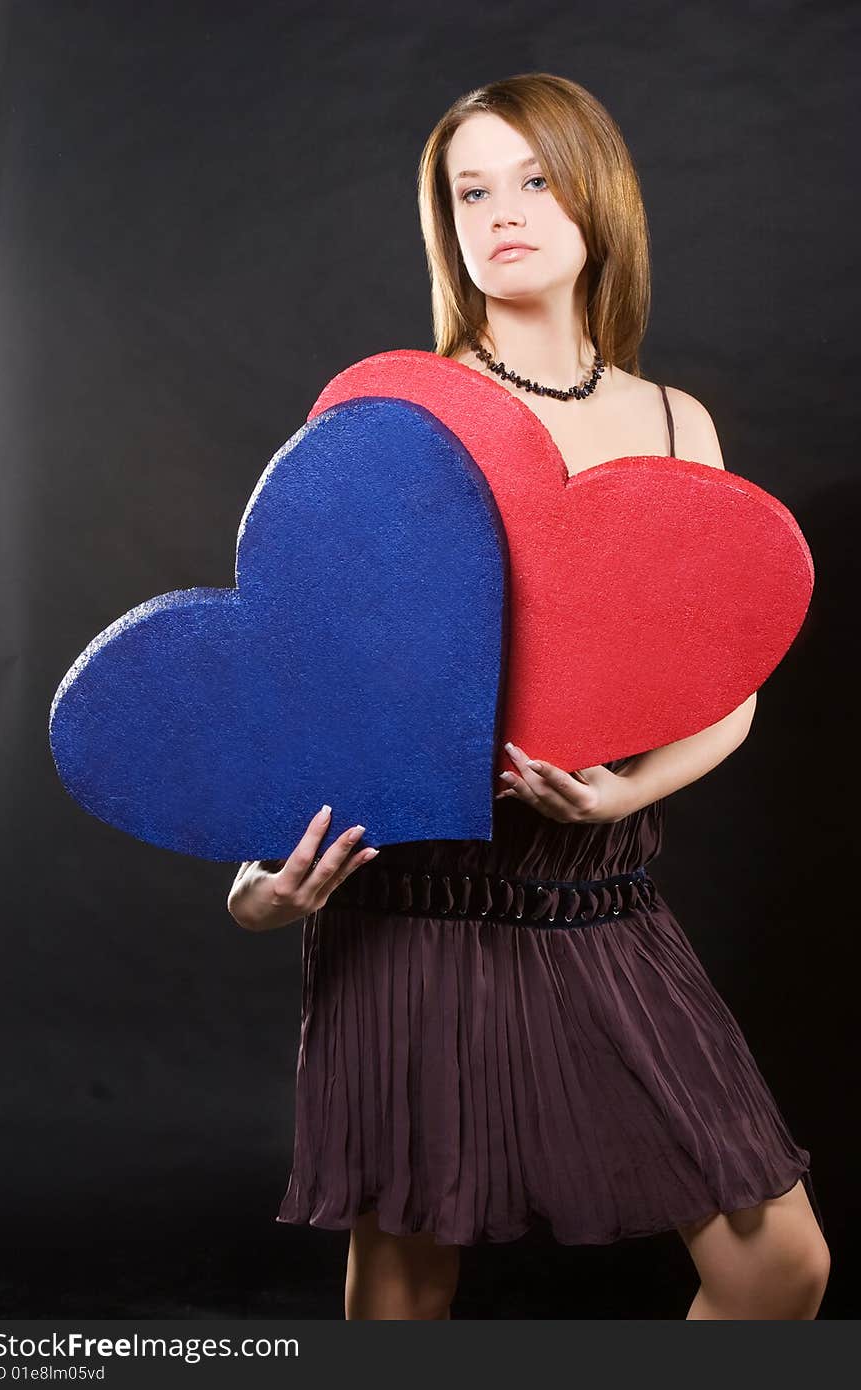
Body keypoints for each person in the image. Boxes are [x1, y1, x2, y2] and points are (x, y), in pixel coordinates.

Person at [227, 73, 830, 1321]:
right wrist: (252, 878)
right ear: (444, 226)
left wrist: (617, 793)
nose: (501, 210)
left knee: (779, 1265)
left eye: (535, 178)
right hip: (416, 898)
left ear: (594, 198)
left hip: (594, 892)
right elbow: (314, 670)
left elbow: (728, 687)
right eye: (469, 189)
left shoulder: (676, 425)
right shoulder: (402, 414)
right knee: (402, 1272)